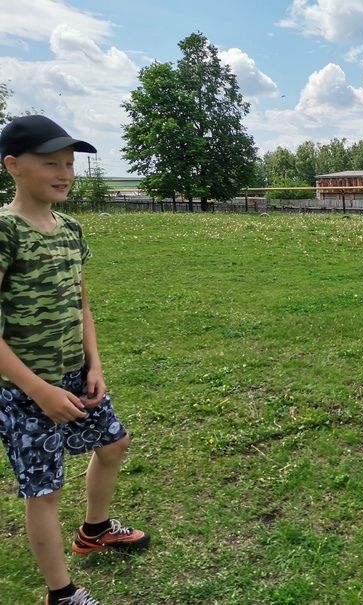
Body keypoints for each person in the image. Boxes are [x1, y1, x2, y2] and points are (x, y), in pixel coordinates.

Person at [0, 116, 150, 605]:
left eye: (69, 163)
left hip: (75, 375)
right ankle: (61, 595)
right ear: (13, 166)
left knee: (113, 444)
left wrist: (95, 365)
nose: (65, 172)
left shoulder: (70, 228)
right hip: (25, 389)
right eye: (51, 163)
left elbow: (81, 302)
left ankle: (95, 531)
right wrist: (39, 391)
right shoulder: (5, 231)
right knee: (44, 490)